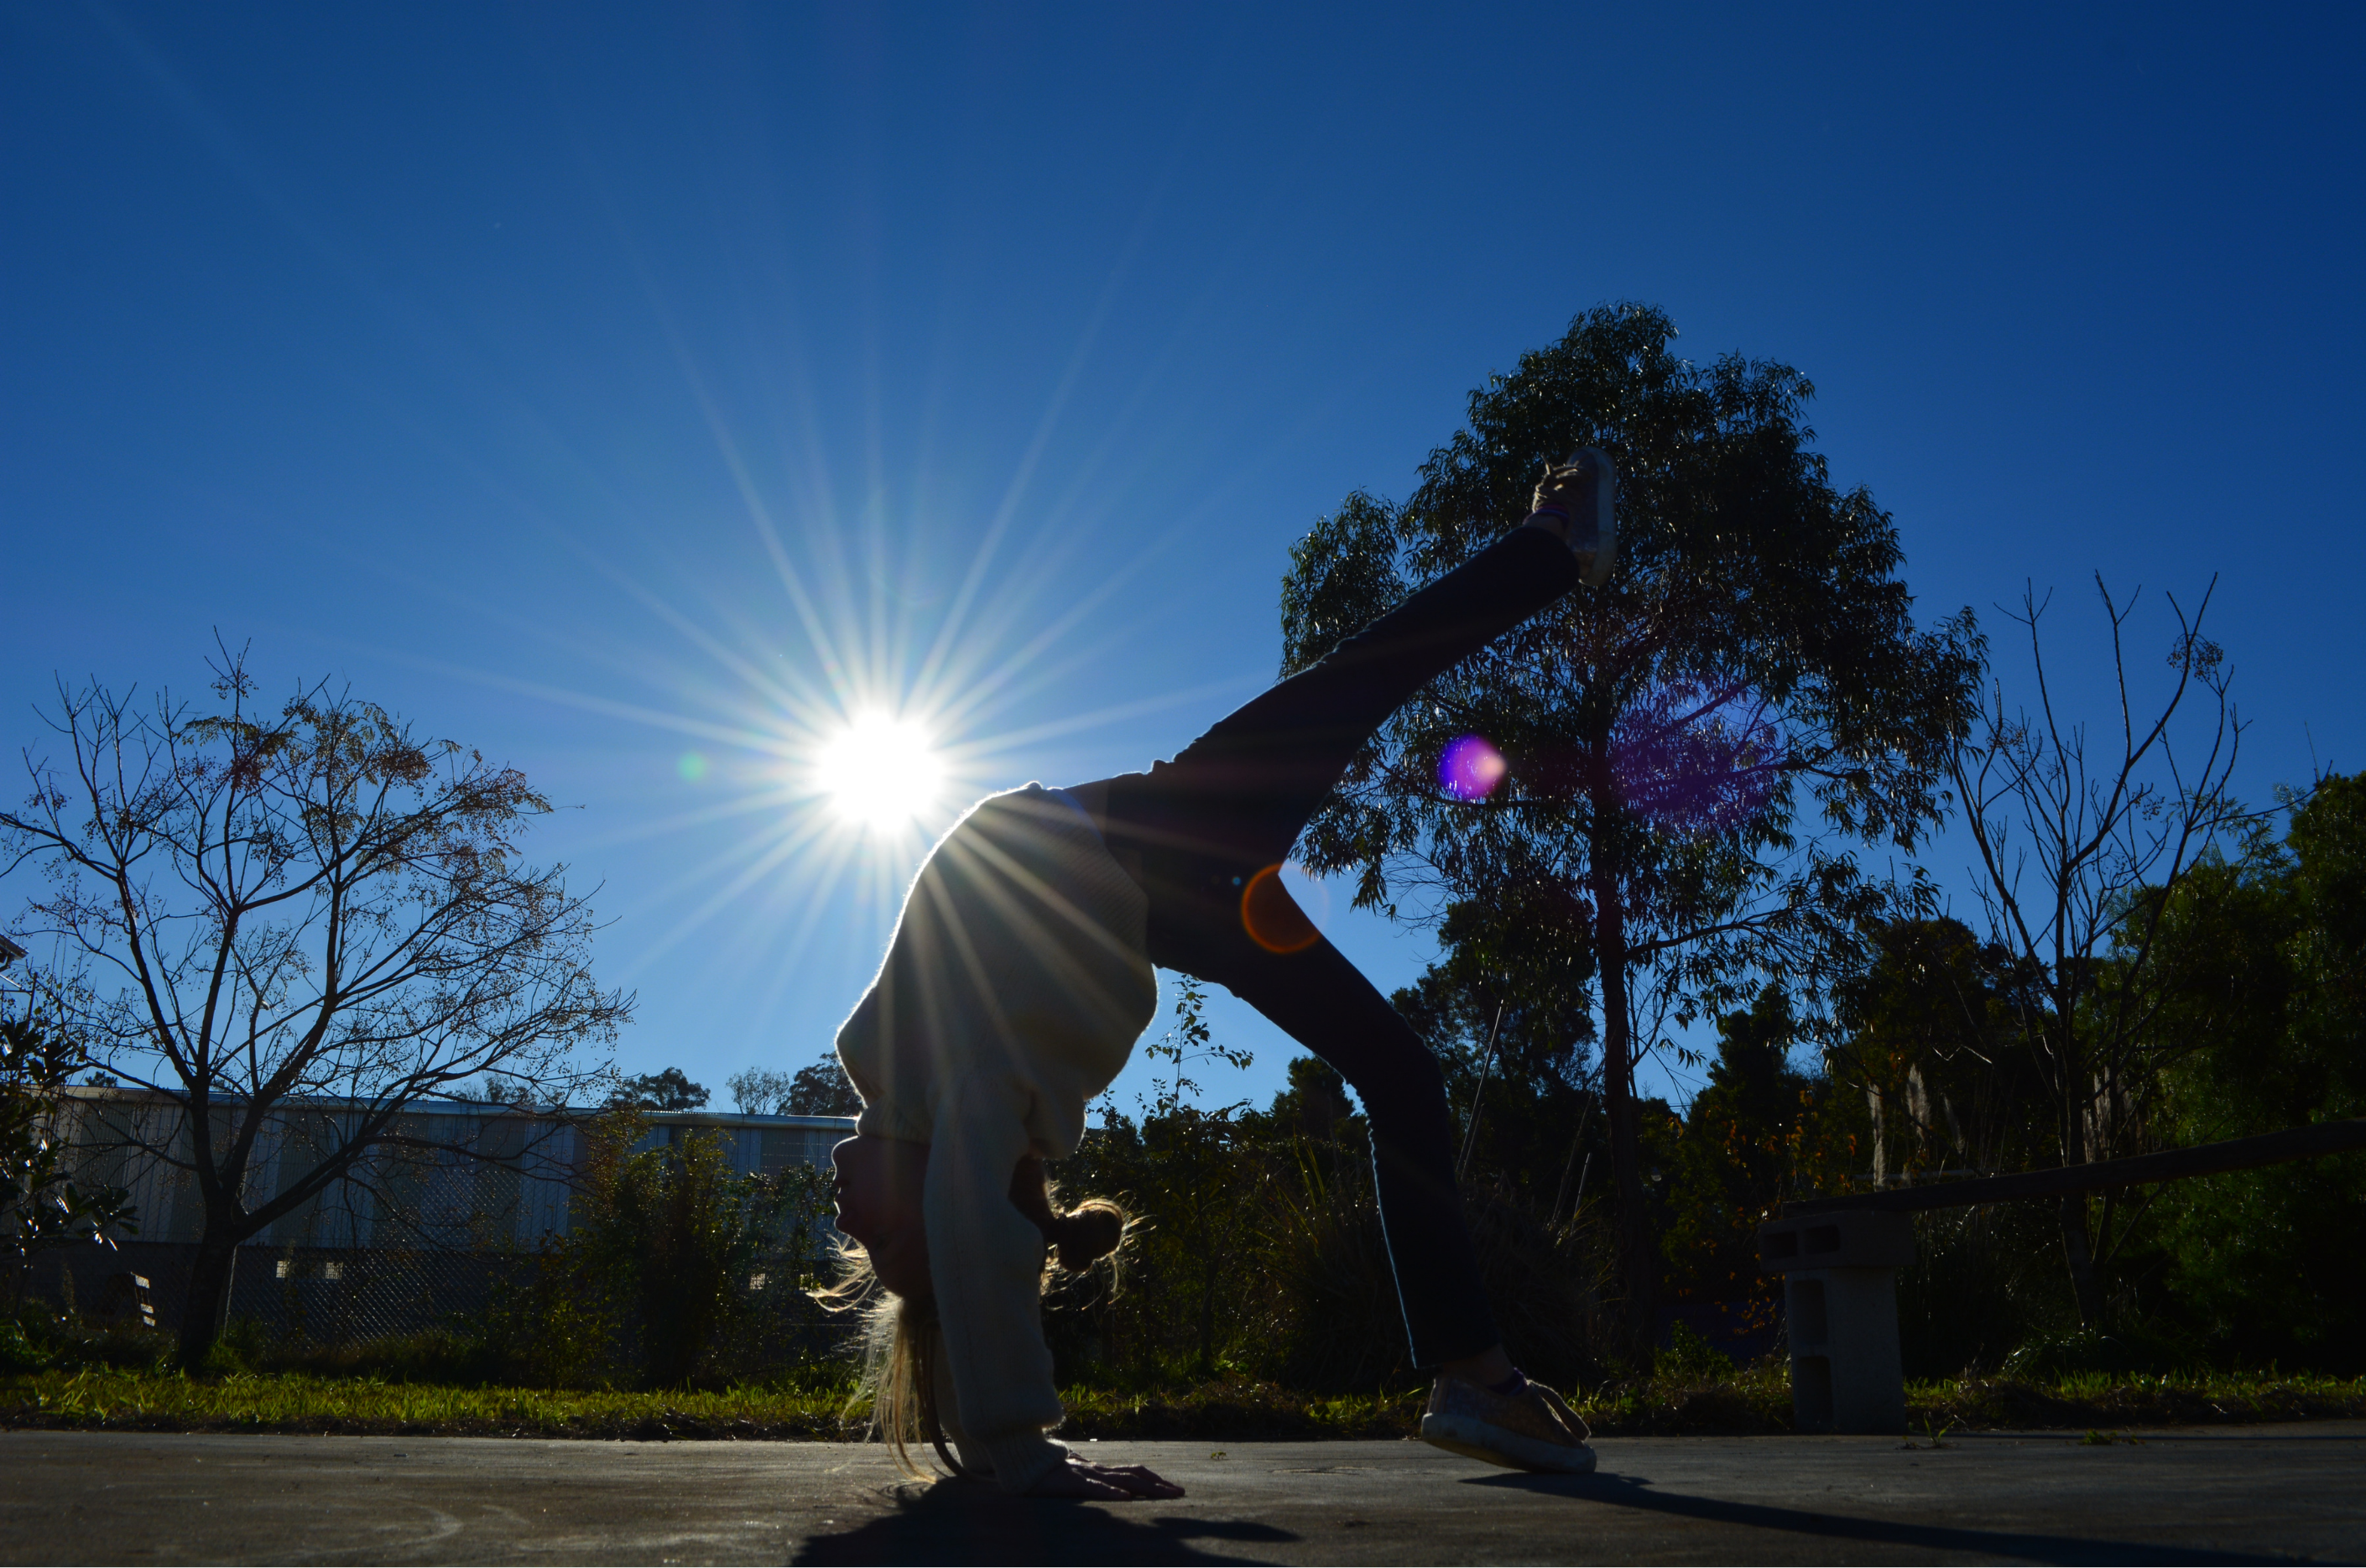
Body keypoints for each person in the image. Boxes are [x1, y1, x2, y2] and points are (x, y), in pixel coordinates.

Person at [827, 452, 1617, 1498]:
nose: (842, 1214)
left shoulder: (888, 1066)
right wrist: (1016, 1453)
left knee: (1398, 1070)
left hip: (1160, 887)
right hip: (1155, 858)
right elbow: (978, 1246)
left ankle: (1471, 1375)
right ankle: (1557, 540)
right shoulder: (960, 1103)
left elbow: (973, 1239)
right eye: (881, 1237)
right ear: (937, 1202)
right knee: (1370, 672)